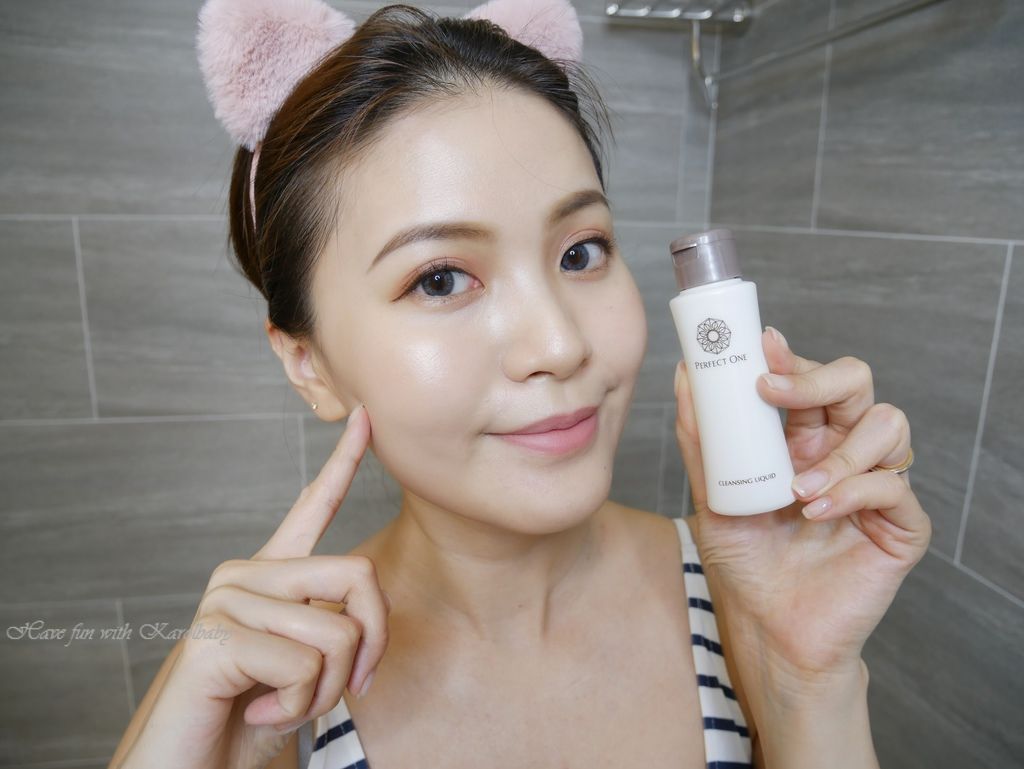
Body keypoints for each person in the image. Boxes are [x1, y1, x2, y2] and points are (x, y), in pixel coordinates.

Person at [108, 1, 931, 767]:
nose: (561, 344)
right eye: (439, 279)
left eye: (580, 252)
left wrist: (803, 683)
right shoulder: (267, 695)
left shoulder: (745, 595)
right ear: (308, 364)